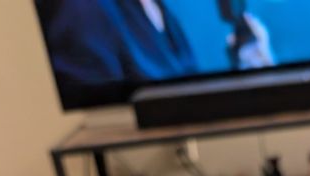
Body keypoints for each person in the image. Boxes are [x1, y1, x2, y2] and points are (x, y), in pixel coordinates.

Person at [36, 0, 274, 106]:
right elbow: (105, 110)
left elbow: (181, 95)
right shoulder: (82, 9)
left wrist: (248, 75)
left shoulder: (158, 9)